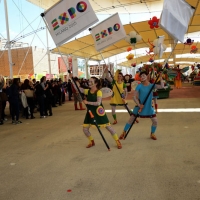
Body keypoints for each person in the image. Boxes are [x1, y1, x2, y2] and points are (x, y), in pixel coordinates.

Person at [70, 74, 122, 149]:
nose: (89, 82)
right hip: (90, 112)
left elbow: (98, 103)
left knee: (109, 127)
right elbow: (77, 88)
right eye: (89, 81)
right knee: (85, 129)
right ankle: (91, 141)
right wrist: (72, 79)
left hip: (99, 112)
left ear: (96, 83)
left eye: (91, 81)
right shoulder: (87, 91)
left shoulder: (98, 92)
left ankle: (117, 141)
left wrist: (88, 102)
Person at [120, 71, 164, 140]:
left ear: (147, 76)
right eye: (141, 76)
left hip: (149, 107)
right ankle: (124, 132)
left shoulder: (151, 85)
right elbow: (134, 97)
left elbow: (162, 86)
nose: (142, 77)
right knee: (131, 120)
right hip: (140, 106)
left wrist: (160, 77)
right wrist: (139, 104)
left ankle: (152, 133)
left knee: (155, 121)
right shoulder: (139, 86)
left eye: (144, 75)